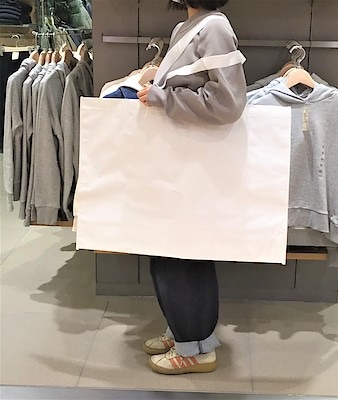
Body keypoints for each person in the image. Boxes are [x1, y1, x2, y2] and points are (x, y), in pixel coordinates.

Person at [137, 0, 246, 375]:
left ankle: (195, 348)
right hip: (179, 164)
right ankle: (186, 334)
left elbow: (229, 103)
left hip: (192, 167)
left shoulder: (213, 28)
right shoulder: (189, 27)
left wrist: (164, 97)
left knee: (182, 254)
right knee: (173, 252)